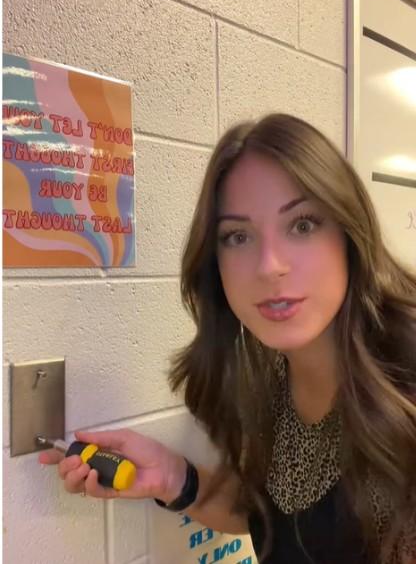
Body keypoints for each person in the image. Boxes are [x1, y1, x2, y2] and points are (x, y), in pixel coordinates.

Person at [40, 114, 416, 563]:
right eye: (238, 236)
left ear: (350, 234)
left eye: (302, 225)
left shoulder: (404, 378)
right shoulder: (265, 375)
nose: (269, 265)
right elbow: (271, 517)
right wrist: (172, 478)